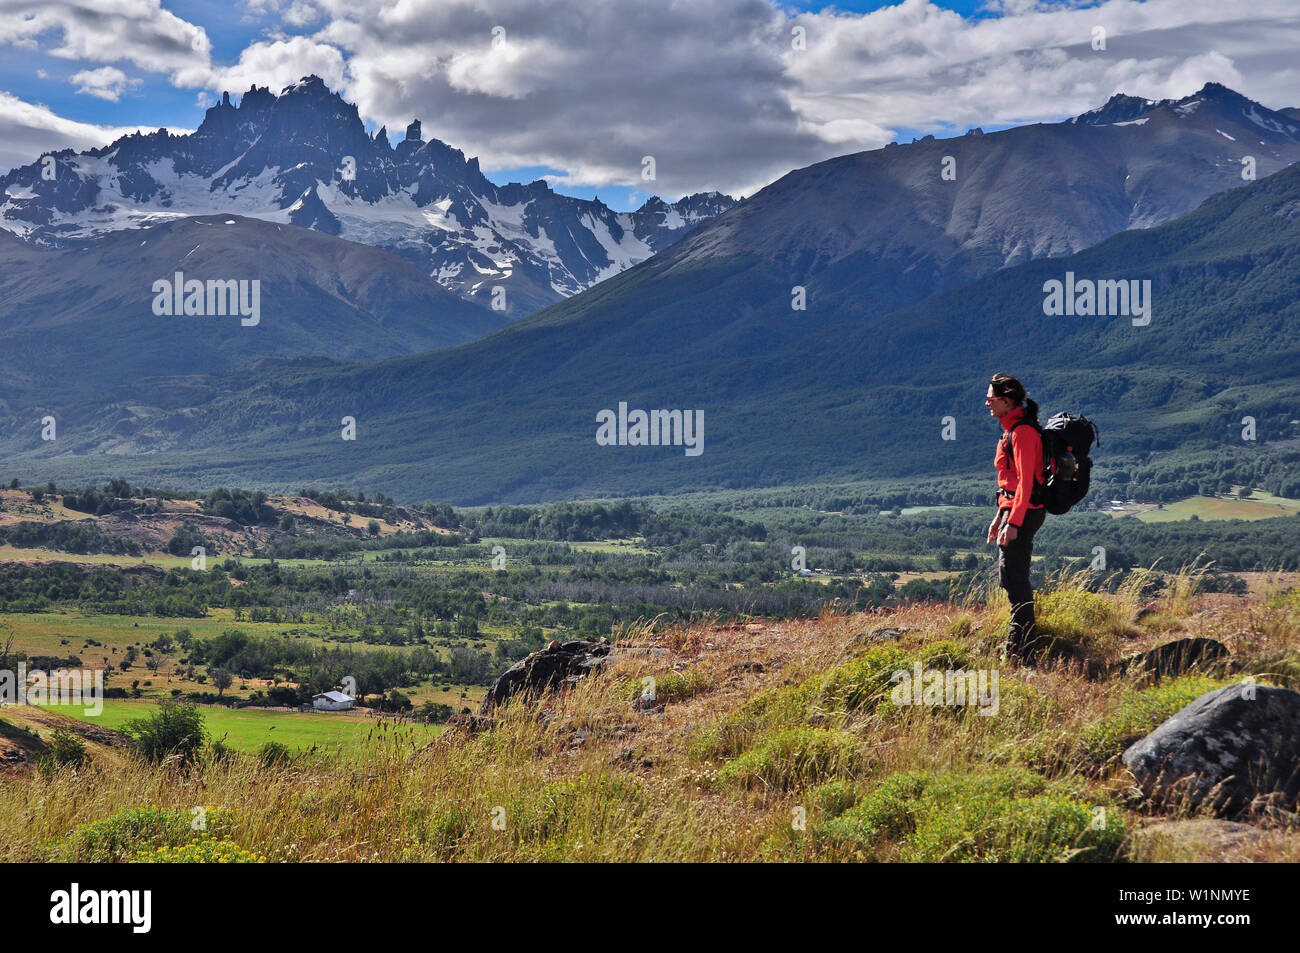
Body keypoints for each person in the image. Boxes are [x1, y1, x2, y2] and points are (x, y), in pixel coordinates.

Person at [985, 373, 1047, 662]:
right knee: (1011, 579)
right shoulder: (1012, 430)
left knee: (1015, 581)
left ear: (1007, 400)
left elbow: (1025, 484)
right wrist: (1000, 516)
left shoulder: (1022, 433)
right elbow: (1009, 482)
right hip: (1014, 510)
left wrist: (1014, 522)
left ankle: (1023, 653)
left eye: (992, 398)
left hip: (1024, 513)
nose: (987, 402)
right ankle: (1020, 647)